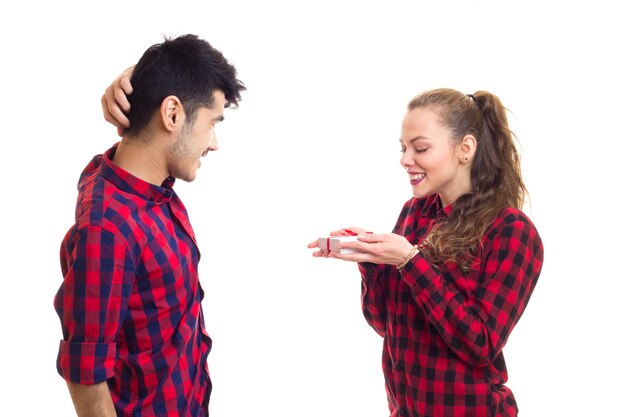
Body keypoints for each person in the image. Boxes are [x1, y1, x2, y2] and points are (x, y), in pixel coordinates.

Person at [308, 88, 543, 417]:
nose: (405, 159)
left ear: (465, 149)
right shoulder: (414, 213)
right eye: (403, 148)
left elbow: (480, 344)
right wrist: (371, 260)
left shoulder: (511, 231)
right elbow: (384, 323)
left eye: (420, 148)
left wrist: (409, 260)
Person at [54, 34, 245, 417]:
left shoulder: (147, 188)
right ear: (172, 114)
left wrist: (140, 82)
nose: (214, 143)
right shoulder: (108, 229)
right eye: (212, 123)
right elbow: (85, 373)